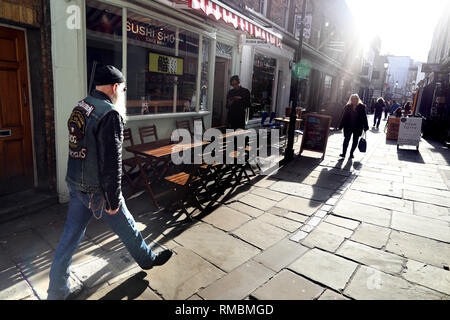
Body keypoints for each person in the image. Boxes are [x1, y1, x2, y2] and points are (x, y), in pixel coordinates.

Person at [47, 65, 172, 300]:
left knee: (69, 239)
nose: (121, 93)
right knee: (128, 228)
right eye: (122, 89)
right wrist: (113, 199)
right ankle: (148, 260)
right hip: (98, 191)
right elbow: (112, 163)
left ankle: (55, 293)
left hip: (76, 184)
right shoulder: (109, 114)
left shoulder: (81, 106)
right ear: (115, 87)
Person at [338, 94, 369, 159]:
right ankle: (343, 153)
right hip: (348, 126)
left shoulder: (361, 107)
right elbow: (344, 117)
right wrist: (341, 125)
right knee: (346, 140)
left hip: (357, 127)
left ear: (358, 100)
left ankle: (351, 153)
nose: (354, 100)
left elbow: (364, 117)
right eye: (352, 99)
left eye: (355, 99)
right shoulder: (347, 107)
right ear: (351, 100)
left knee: (355, 141)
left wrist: (366, 126)